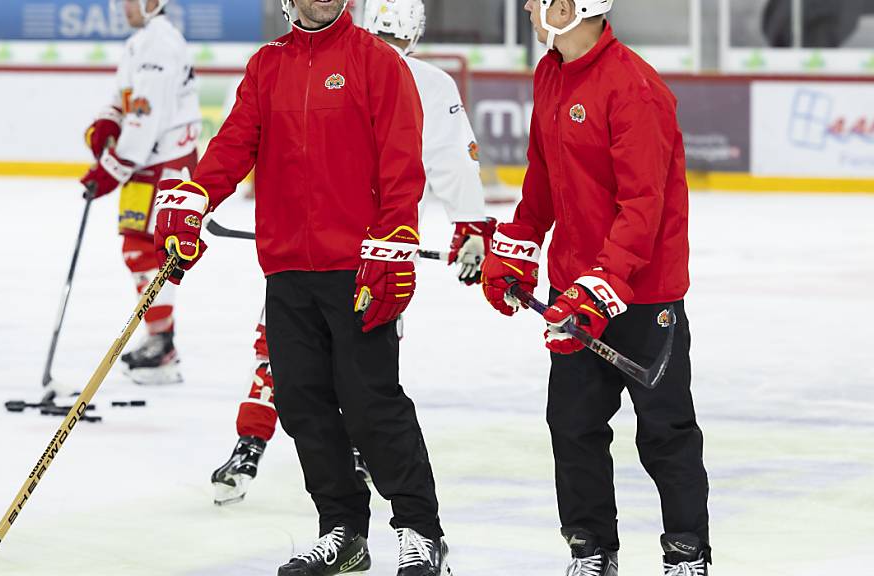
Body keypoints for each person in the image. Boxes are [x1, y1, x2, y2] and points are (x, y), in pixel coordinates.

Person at [152, 1, 450, 574]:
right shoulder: (267, 66)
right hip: (287, 268)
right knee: (302, 405)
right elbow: (235, 144)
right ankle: (342, 531)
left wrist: (396, 239)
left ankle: (419, 529)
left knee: (371, 405)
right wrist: (194, 197)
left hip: (358, 268)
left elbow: (399, 161)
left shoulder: (376, 61)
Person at [209, 0, 494, 512]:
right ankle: (310, 480)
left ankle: (410, 519)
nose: (394, 47)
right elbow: (245, 141)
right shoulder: (292, 63)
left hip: (375, 257)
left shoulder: (411, 77)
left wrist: (469, 227)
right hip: (301, 258)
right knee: (296, 372)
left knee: (366, 389)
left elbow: (442, 162)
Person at [480, 1, 710, 574]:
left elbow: (643, 207)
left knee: (665, 430)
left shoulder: (634, 89)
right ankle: (591, 550)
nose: (530, 8)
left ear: (571, 6)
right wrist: (519, 242)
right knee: (573, 424)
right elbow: (543, 174)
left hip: (643, 293)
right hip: (577, 290)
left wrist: (601, 284)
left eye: (539, 0)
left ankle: (686, 552)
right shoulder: (552, 71)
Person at [80, 0, 201, 385]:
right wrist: (107, 120)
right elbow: (127, 98)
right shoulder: (141, 42)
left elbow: (147, 116)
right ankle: (158, 339)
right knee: (136, 247)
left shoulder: (161, 43)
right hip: (146, 161)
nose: (123, 6)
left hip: (165, 161)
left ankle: (162, 345)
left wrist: (114, 165)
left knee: (151, 250)